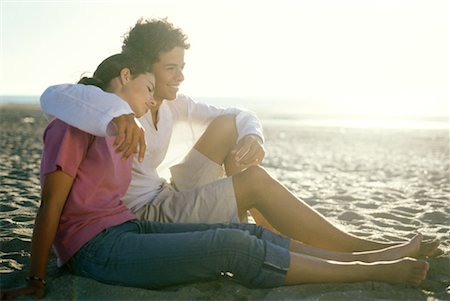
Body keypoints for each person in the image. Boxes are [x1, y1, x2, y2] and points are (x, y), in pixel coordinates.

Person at [0, 53, 435, 301]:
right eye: (150, 88)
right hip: (94, 249)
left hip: (126, 228)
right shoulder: (74, 123)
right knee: (230, 247)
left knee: (246, 235)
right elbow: (51, 203)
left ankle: (362, 260)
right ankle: (368, 271)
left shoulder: (118, 125)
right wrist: (35, 279)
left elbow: (229, 117)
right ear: (125, 76)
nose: (153, 100)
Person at [39, 18, 442, 255]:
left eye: (183, 66)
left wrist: (255, 137)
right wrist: (120, 112)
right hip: (143, 218)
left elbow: (237, 113)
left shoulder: (173, 103)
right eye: (171, 68)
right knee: (251, 181)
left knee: (231, 128)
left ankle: (279, 228)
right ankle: (357, 248)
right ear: (142, 70)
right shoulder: (103, 102)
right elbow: (58, 94)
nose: (181, 76)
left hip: (168, 194)